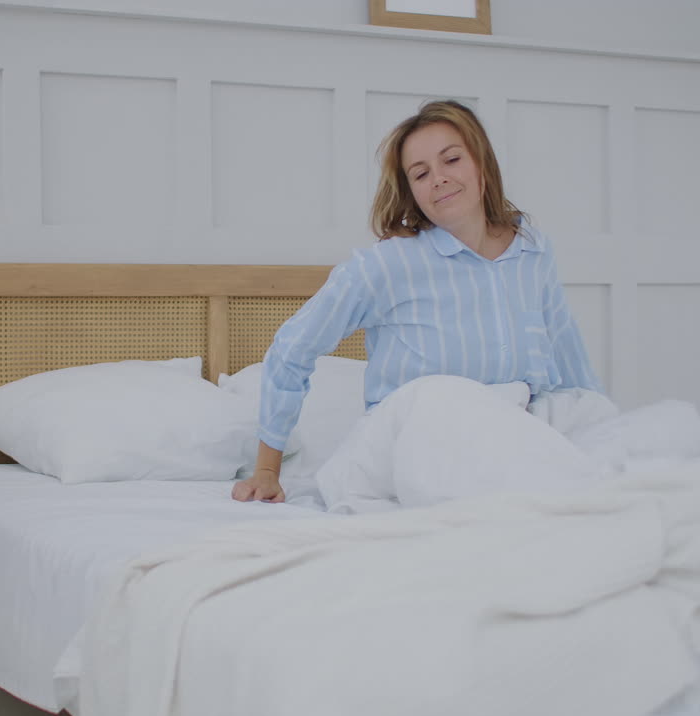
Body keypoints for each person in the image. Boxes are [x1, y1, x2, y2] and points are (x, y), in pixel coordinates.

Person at [232, 100, 602, 503]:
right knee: (439, 396)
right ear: (411, 191)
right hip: (414, 438)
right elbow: (292, 348)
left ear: (481, 162)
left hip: (513, 428)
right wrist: (266, 471)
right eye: (421, 173)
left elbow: (565, 346)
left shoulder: (532, 250)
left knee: (592, 419)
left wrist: (594, 424)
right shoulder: (386, 266)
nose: (439, 179)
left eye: (452, 160)